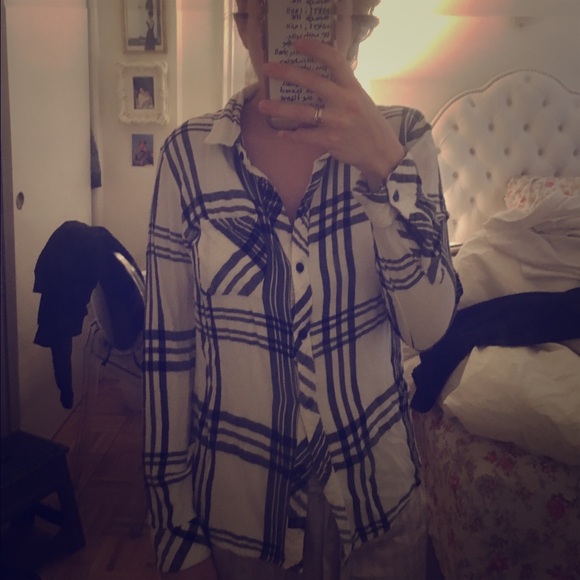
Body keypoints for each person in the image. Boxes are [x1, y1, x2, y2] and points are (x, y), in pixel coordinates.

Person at [143, 0, 461, 578]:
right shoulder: (187, 157)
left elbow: (429, 328)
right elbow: (168, 351)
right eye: (277, 8)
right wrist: (177, 532)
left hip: (378, 509)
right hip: (239, 518)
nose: (299, 24)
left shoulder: (404, 137)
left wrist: (384, 171)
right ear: (245, 23)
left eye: (323, 7)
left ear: (356, 24)